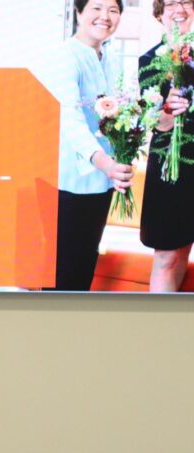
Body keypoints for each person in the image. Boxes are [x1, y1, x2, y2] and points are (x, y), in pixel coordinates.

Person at [50, 0, 132, 291]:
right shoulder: (65, 55)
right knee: (62, 272)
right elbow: (69, 118)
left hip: (102, 182)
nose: (105, 17)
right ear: (78, 13)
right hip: (69, 181)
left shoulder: (110, 57)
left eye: (113, 10)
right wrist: (104, 162)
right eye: (96, 8)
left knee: (84, 262)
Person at [139, 0, 194, 292]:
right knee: (167, 256)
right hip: (169, 166)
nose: (180, 9)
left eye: (187, 2)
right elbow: (154, 124)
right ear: (160, 14)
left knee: (183, 250)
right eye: (171, 3)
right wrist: (168, 111)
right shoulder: (149, 61)